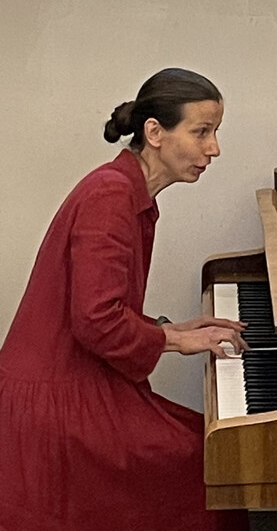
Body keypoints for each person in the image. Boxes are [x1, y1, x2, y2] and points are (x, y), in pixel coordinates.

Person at [0, 68, 250, 531]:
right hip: (56, 402)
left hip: (71, 384)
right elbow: (96, 320)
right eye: (202, 132)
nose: (213, 148)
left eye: (214, 132)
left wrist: (166, 329)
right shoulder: (111, 196)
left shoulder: (125, 190)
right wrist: (175, 341)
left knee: (206, 448)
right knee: (206, 461)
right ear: (154, 132)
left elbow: (99, 308)